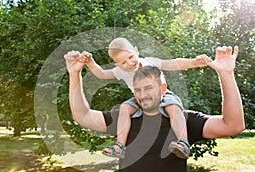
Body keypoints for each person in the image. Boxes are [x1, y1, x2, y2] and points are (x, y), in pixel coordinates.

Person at [64, 45, 245, 172]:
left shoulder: (182, 119)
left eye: (149, 88)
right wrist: (74, 74)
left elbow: (233, 125)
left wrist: (226, 74)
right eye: (138, 90)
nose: (143, 95)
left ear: (163, 88)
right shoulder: (125, 119)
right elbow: (82, 116)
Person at [79, 37, 212, 159]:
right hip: (140, 99)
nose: (130, 63)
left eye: (131, 57)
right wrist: (90, 62)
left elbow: (174, 63)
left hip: (162, 95)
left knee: (173, 107)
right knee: (125, 108)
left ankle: (183, 142)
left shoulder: (150, 62)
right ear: (117, 65)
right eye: (124, 62)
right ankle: (120, 146)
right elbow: (102, 74)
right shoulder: (121, 71)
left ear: (136, 51)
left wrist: (195, 62)